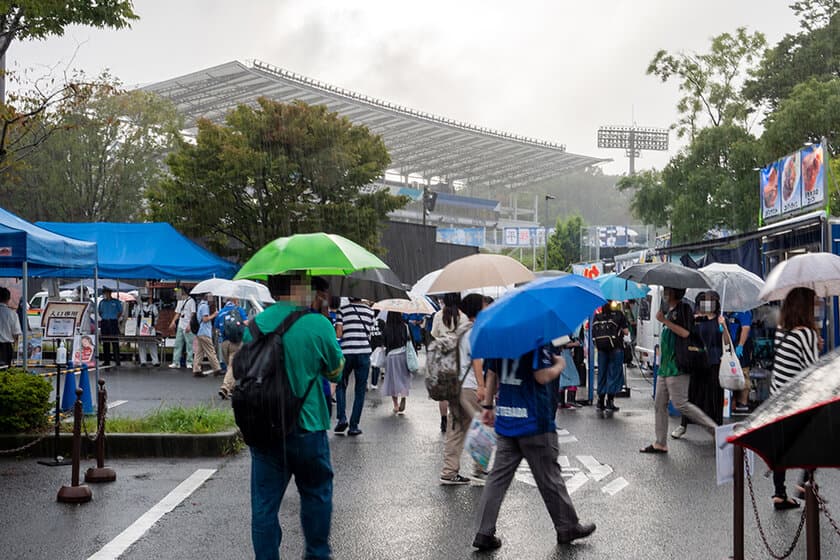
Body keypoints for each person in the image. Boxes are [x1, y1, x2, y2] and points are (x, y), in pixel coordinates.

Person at [245, 272, 345, 560]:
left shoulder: (255, 325)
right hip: (308, 424)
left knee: (264, 505)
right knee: (316, 494)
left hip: (264, 428)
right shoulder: (316, 323)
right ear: (299, 287)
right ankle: (316, 554)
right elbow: (335, 370)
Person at [473, 345, 596, 550]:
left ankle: (483, 531)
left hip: (506, 417)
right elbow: (540, 376)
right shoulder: (535, 338)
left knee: (497, 479)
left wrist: (487, 406)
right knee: (549, 477)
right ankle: (567, 527)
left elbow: (492, 377)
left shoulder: (500, 338)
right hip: (534, 421)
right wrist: (559, 365)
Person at [640, 287, 718, 454]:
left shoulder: (684, 309)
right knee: (659, 403)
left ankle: (716, 431)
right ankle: (660, 442)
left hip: (678, 365)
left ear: (674, 292)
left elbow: (685, 333)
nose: (664, 294)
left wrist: (665, 321)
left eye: (667, 291)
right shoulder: (668, 310)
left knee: (681, 404)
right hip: (665, 367)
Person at [769, 287, 819, 510]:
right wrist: (816, 344)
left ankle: (780, 493)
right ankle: (805, 484)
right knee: (816, 439)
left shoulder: (781, 329)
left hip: (776, 397)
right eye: (813, 303)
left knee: (783, 445)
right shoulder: (806, 334)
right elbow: (812, 370)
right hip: (797, 400)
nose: (816, 306)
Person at [439, 293, 486, 485]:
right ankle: (480, 470)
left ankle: (449, 472)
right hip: (470, 387)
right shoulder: (475, 331)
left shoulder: (461, 330)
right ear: (478, 308)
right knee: (482, 425)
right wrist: (482, 386)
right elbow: (476, 360)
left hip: (456, 385)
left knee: (456, 429)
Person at [672, 291, 724, 438]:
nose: (707, 304)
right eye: (704, 301)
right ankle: (683, 425)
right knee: (691, 394)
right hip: (697, 361)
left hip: (714, 361)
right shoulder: (695, 319)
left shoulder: (720, 320)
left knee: (715, 396)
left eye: (711, 301)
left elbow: (726, 341)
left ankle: (717, 429)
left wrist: (724, 326)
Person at [334, 297, 375, 436]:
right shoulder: (370, 312)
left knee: (340, 384)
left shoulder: (342, 310)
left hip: (346, 353)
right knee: (360, 390)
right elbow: (369, 333)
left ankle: (341, 418)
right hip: (363, 353)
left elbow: (339, 333)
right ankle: (354, 425)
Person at [431, 293, 467, 433]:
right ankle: (456, 418)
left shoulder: (438, 315)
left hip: (442, 356)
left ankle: (443, 420)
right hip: (458, 356)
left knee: (444, 393)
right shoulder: (462, 317)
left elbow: (434, 334)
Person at [592, 300, 629, 411]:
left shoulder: (597, 316)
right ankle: (610, 401)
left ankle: (600, 401)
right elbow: (626, 331)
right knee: (614, 373)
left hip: (602, 349)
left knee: (602, 373)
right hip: (616, 348)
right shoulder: (619, 315)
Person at [380, 312, 412, 414]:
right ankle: (403, 395)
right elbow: (409, 340)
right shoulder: (404, 326)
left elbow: (384, 342)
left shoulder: (386, 328)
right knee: (403, 377)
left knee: (392, 380)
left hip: (391, 356)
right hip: (402, 354)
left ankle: (396, 405)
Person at [216, 298, 248, 399]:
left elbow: (216, 326)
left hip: (224, 343)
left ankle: (231, 388)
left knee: (229, 366)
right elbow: (246, 323)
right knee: (233, 366)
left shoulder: (221, 312)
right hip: (236, 342)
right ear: (235, 300)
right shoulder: (239, 310)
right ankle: (225, 387)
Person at [725, 308, 753, 413]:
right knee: (730, 373)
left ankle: (743, 403)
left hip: (741, 346)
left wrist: (740, 345)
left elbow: (746, 328)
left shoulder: (744, 312)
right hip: (728, 345)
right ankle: (732, 401)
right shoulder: (725, 311)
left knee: (742, 372)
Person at [192, 292, 221, 377]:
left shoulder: (200, 305)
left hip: (200, 332)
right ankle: (217, 369)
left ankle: (196, 369)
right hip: (205, 331)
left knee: (199, 352)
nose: (212, 298)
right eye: (211, 297)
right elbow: (205, 319)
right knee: (211, 351)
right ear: (206, 297)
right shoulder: (205, 306)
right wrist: (214, 315)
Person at [169, 289, 196, 369]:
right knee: (178, 344)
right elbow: (178, 313)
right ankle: (176, 362)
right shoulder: (180, 301)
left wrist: (189, 325)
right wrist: (173, 322)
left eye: (177, 293)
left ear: (183, 293)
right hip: (181, 325)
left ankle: (189, 362)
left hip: (187, 325)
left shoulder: (191, 301)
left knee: (189, 345)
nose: (176, 295)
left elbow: (193, 313)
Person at [98, 287, 123, 367]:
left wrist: (115, 318)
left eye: (106, 293)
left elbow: (120, 311)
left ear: (109, 293)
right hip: (104, 322)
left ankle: (117, 360)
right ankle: (106, 360)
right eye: (104, 293)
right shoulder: (102, 302)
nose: (105, 295)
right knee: (106, 342)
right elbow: (100, 312)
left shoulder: (116, 302)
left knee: (115, 341)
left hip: (113, 322)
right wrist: (105, 317)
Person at [134, 292, 160, 367]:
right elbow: (136, 317)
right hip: (141, 328)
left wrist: (153, 325)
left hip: (151, 328)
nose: (145, 301)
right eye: (144, 299)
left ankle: (155, 361)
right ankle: (143, 361)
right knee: (141, 345)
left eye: (146, 299)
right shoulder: (139, 307)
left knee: (152, 344)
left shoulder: (153, 307)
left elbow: (156, 316)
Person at [0, 287, 22, 366]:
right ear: (8, 299)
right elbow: (16, 334)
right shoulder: (12, 314)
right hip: (6, 347)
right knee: (5, 371)